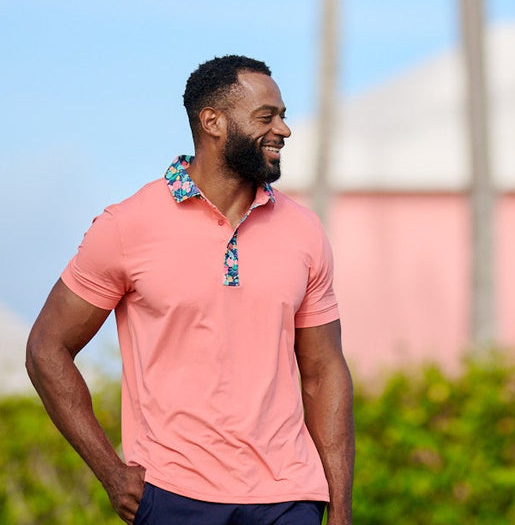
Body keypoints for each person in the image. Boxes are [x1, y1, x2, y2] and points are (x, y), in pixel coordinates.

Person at [25, 55, 354, 525]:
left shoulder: (303, 231)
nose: (284, 129)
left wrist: (340, 507)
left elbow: (325, 371)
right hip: (173, 495)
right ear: (212, 122)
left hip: (289, 496)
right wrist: (111, 473)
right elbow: (46, 349)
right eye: (267, 117)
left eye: (283, 115)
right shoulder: (127, 226)